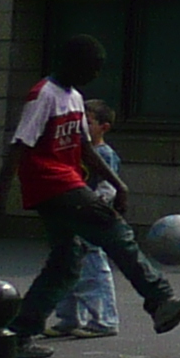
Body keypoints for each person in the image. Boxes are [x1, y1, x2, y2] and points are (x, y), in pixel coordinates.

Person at [6, 37, 180, 358]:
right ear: (71, 64)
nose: (94, 76)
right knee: (115, 231)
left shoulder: (75, 97)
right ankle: (160, 302)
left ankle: (18, 335)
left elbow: (85, 149)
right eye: (91, 69)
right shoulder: (43, 95)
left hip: (65, 184)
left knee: (66, 263)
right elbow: (19, 145)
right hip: (52, 184)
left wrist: (119, 185)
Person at [46, 102, 127, 339]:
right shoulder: (76, 151)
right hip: (73, 213)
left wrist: (94, 206)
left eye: (88, 123)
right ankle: (69, 318)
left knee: (93, 269)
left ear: (104, 127)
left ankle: (104, 319)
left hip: (89, 216)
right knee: (67, 265)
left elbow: (107, 187)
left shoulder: (104, 155)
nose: (82, 128)